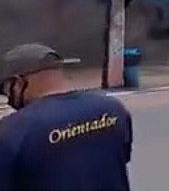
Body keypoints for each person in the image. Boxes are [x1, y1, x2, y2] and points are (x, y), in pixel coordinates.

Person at [0, 44, 133, 191]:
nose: (7, 96)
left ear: (18, 83)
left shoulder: (13, 130)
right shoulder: (113, 109)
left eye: (4, 89)